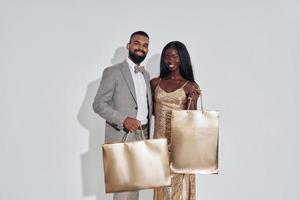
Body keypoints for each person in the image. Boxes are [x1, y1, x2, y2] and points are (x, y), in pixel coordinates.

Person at [93, 31, 152, 200]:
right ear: (128, 45)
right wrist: (123, 119)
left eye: (145, 45)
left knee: (136, 189)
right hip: (123, 135)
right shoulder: (113, 72)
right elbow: (98, 104)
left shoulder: (146, 75)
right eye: (137, 43)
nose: (140, 47)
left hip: (143, 135)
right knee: (124, 191)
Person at [150, 41, 201, 200]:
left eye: (174, 56)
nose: (169, 60)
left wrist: (193, 101)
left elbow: (192, 120)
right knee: (162, 188)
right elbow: (152, 113)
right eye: (167, 56)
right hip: (159, 145)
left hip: (180, 144)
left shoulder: (189, 86)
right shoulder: (155, 83)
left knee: (178, 189)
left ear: (181, 59)